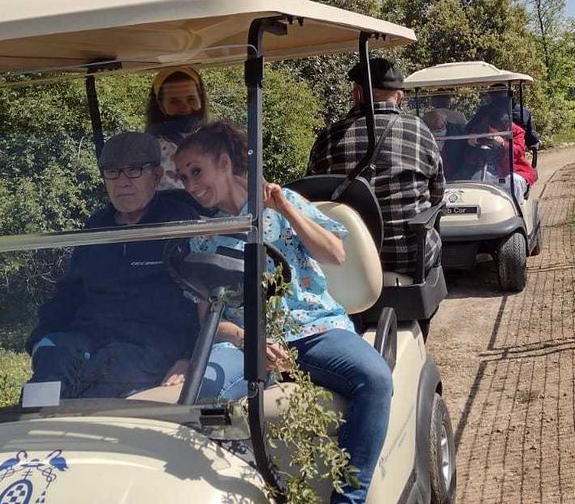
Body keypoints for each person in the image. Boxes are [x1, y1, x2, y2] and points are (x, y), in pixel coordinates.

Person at [172, 122, 392, 504]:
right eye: (183, 177)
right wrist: (248, 339)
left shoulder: (282, 204)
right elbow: (208, 320)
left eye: (196, 171)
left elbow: (335, 254)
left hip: (312, 330)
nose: (190, 185)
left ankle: (349, 498)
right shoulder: (202, 236)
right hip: (247, 346)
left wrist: (286, 209)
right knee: (195, 402)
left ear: (224, 163)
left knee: (374, 379)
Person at [25, 132, 201, 398]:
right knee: (51, 355)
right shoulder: (97, 226)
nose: (123, 182)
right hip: (89, 337)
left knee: (102, 381)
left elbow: (201, 299)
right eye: (113, 172)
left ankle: (72, 436)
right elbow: (68, 293)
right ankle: (32, 437)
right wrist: (41, 339)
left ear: (155, 175)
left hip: (150, 345)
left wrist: (191, 356)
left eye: (133, 171)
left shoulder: (179, 222)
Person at [309, 57, 444, 276]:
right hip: (409, 258)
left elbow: (311, 199)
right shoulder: (420, 131)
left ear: (357, 95)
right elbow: (437, 193)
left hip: (345, 260)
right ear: (399, 97)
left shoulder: (327, 138)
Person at [146, 65, 210, 190]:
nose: (185, 108)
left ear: (200, 100)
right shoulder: (154, 152)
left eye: (191, 99)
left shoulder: (220, 140)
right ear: (161, 105)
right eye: (174, 102)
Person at [468, 111, 537, 201]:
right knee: (477, 177)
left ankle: (517, 210)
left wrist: (503, 143)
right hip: (493, 170)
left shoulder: (517, 131)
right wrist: (472, 141)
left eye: (494, 131)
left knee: (514, 181)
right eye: (490, 129)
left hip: (514, 170)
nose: (490, 132)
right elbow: (472, 152)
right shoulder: (484, 129)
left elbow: (519, 151)